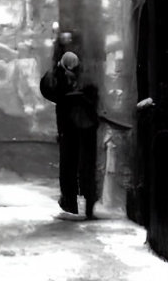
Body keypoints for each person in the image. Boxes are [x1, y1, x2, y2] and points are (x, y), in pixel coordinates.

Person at [40, 50, 99, 218]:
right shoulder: (85, 76)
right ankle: (86, 203)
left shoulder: (57, 77)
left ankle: (70, 202)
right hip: (86, 126)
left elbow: (48, 90)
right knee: (86, 164)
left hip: (69, 127)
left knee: (68, 164)